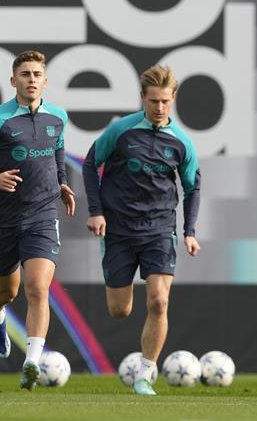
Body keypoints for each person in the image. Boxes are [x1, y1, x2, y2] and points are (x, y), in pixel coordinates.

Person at [0, 50, 75, 390]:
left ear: (45, 81)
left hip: (42, 214)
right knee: (6, 292)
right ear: (13, 81)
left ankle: (31, 363)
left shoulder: (57, 117)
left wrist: (62, 181)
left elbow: (58, 150)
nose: (32, 79)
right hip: (4, 220)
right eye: (25, 74)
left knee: (38, 288)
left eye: (37, 74)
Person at [82, 65, 201, 396]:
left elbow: (192, 189)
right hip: (119, 230)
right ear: (142, 99)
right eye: (153, 101)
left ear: (173, 99)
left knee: (159, 302)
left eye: (165, 101)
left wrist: (189, 231)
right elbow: (90, 164)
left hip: (159, 230)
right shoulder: (121, 131)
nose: (159, 108)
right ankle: (142, 367)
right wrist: (96, 212)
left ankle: (145, 375)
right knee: (120, 310)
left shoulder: (182, 144)